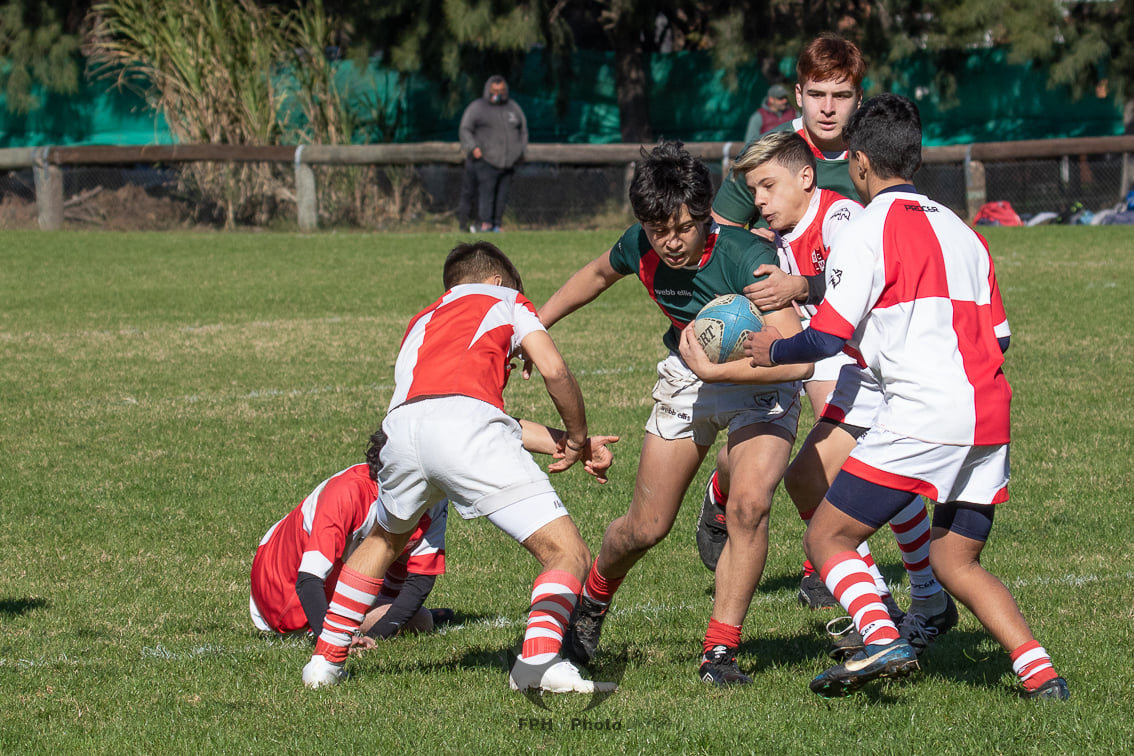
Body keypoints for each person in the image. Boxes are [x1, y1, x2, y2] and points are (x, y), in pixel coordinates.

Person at [746, 93, 1069, 701]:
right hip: (989, 414)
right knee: (957, 565)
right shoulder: (965, 232)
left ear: (859, 162)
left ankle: (879, 633)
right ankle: (1041, 673)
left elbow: (827, 335)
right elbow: (1000, 336)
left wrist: (772, 351)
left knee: (827, 537)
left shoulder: (867, 229)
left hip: (923, 413)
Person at [535, 140, 812, 686]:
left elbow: (797, 360)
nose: (671, 242)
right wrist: (535, 327)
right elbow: (594, 275)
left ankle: (719, 653)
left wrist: (719, 372)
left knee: (752, 506)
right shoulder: (641, 244)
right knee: (645, 528)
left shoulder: (747, 260)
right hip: (689, 376)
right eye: (659, 230)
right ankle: (592, 600)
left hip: (761, 378)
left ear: (706, 217)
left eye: (683, 228)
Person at [301, 241, 617, 695]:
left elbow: (462, 412)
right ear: (495, 281)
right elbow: (554, 371)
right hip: (465, 431)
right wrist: (579, 433)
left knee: (385, 540)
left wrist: (568, 445)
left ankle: (325, 662)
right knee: (568, 554)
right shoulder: (506, 300)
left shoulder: (422, 320)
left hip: (401, 432)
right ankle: (539, 661)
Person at [697, 132, 958, 662]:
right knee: (818, 480)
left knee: (816, 482)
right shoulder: (785, 232)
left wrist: (801, 288)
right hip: (859, 372)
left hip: (882, 374)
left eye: (768, 187)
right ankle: (905, 599)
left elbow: (854, 283)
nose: (761, 201)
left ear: (806, 178)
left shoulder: (839, 220)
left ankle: (893, 605)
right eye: (754, 191)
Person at [251, 422, 617, 647]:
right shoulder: (347, 494)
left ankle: (375, 620)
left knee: (417, 615)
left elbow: (419, 581)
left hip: (323, 574)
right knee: (414, 616)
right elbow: (307, 578)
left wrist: (376, 635)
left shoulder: (428, 495)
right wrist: (329, 637)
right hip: (283, 596)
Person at [715, 33, 865, 232]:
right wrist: (752, 248)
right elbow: (718, 238)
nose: (828, 108)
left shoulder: (879, 155)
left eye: (841, 96)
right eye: (816, 94)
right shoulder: (763, 153)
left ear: (859, 98)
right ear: (799, 95)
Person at [457, 75, 528, 233]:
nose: (498, 93)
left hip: (509, 162)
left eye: (502, 90)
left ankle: (497, 224)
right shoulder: (478, 107)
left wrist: (521, 151)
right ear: (488, 90)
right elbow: (465, 129)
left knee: (502, 195)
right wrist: (473, 147)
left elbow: (523, 130)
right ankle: (484, 224)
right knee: (485, 193)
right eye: (495, 91)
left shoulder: (513, 107)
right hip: (485, 160)